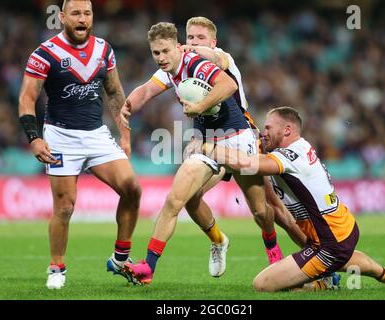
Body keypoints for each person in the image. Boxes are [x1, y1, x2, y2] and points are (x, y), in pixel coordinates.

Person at [119, 22, 281, 285]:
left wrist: (200, 106)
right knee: (178, 199)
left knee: (261, 211)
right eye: (155, 53)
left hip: (239, 140)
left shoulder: (195, 63)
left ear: (177, 47)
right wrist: (127, 107)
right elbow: (147, 89)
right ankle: (152, 265)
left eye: (164, 52)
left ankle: (273, 252)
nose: (160, 58)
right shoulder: (169, 69)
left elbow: (227, 85)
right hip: (206, 144)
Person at [200, 106, 385, 291]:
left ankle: (324, 283)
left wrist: (210, 147)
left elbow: (248, 164)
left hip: (329, 243)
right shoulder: (299, 147)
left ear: (287, 130)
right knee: (343, 258)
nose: (263, 133)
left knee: (263, 284)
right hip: (343, 229)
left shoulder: (291, 156)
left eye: (268, 128)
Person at [18, 0, 141, 290]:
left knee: (132, 188)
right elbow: (26, 98)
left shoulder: (104, 49)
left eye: (87, 13)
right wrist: (34, 138)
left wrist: (125, 135)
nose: (82, 18)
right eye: (75, 13)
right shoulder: (44, 54)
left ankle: (121, 258)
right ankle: (56, 267)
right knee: (65, 206)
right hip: (60, 136)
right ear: (62, 17)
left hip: (96, 134)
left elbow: (115, 93)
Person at [179, 16, 306, 276]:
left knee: (269, 213)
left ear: (213, 42)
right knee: (190, 196)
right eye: (190, 37)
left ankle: (314, 260)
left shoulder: (222, 57)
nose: (193, 43)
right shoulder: (184, 68)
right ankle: (217, 240)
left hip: (241, 142)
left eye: (200, 38)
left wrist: (192, 50)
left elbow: (218, 60)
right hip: (210, 147)